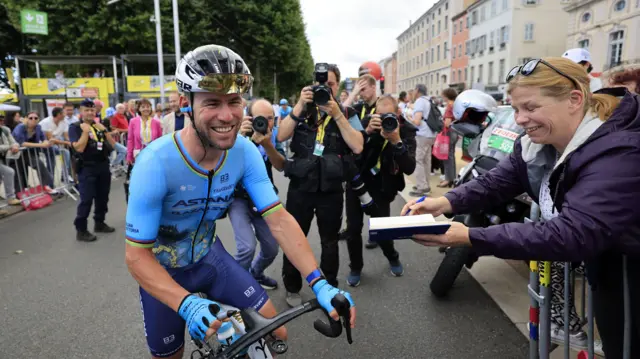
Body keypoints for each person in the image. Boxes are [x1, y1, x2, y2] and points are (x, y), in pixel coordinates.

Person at [124, 45, 356, 359]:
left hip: (208, 258)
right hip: (163, 271)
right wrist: (185, 304)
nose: (227, 115)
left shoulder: (244, 152)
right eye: (212, 103)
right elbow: (136, 257)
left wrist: (319, 283)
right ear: (185, 105)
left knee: (276, 331)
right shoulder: (154, 163)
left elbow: (279, 221)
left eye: (234, 101)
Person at [403, 57, 640, 358]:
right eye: (515, 109)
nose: (519, 119)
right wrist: (443, 202)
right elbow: (496, 182)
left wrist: (471, 237)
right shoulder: (539, 140)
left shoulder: (620, 150)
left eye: (530, 107)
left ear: (575, 99)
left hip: (629, 271)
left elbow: (573, 234)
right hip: (607, 264)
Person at [276, 63, 364, 307]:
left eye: (331, 84)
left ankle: (329, 288)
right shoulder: (303, 110)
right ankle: (292, 287)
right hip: (300, 188)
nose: (326, 88)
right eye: (321, 83)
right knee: (295, 238)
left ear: (337, 86)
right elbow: (281, 136)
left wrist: (337, 113)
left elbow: (357, 146)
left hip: (331, 190)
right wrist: (299, 106)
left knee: (330, 241)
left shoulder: (347, 114)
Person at [345, 95, 416, 286]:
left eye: (389, 116)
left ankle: (392, 256)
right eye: (380, 115)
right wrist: (369, 134)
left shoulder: (406, 130)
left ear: (398, 113)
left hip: (383, 187)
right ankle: (355, 267)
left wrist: (397, 142)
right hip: (357, 181)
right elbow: (354, 157)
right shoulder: (366, 124)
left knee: (382, 229)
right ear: (374, 113)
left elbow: (409, 168)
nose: (385, 120)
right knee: (353, 229)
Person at [230, 98, 286, 290]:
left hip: (262, 198)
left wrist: (268, 144)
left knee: (271, 249)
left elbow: (280, 166)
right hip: (238, 198)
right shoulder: (236, 134)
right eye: (260, 118)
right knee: (246, 247)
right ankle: (237, 287)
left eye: (270, 118)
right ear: (249, 117)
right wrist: (237, 136)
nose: (265, 123)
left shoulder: (273, 135)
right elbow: (220, 162)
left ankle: (256, 273)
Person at [69, 99, 117, 242]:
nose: (90, 112)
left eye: (92, 110)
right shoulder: (75, 127)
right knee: (87, 199)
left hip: (102, 165)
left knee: (103, 197)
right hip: (86, 167)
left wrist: (105, 131)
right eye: (87, 110)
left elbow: (113, 146)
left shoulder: (98, 126)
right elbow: (79, 148)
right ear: (81, 112)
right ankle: (81, 230)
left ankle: (99, 222)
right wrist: (85, 132)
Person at [11, 112, 56, 192]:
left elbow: (43, 138)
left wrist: (46, 142)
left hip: (30, 152)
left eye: (36, 118)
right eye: (31, 118)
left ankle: (46, 186)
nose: (33, 120)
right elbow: (21, 143)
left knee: (39, 164)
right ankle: (19, 193)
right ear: (26, 119)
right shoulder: (20, 127)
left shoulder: (38, 127)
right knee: (20, 173)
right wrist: (41, 145)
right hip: (17, 153)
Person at [408, 84, 436, 197]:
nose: (414, 91)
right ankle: (426, 184)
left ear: (418, 90)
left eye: (414, 89)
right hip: (431, 134)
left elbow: (417, 121)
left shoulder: (420, 101)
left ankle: (422, 186)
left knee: (418, 160)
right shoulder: (429, 100)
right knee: (426, 161)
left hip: (422, 134)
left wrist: (408, 118)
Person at [40, 107, 73, 183]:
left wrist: (72, 142)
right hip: (42, 144)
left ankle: (65, 174)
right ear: (59, 114)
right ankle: (49, 180)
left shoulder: (64, 122)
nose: (65, 115)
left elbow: (66, 136)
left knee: (66, 153)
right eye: (64, 113)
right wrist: (66, 143)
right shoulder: (46, 122)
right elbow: (50, 139)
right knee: (53, 151)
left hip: (54, 144)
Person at [437, 88, 459, 188]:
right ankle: (452, 178)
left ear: (446, 96)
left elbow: (447, 123)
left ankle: (448, 179)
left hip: (449, 133)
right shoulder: (456, 104)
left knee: (447, 157)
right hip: (455, 132)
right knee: (451, 156)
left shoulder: (449, 106)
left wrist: (442, 121)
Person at [0, 122, 21, 207]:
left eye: (1, 119)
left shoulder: (5, 130)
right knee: (9, 172)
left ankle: (10, 198)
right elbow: (8, 145)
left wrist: (15, 146)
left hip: (1, 158)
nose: (1, 121)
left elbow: (14, 142)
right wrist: (9, 146)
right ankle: (10, 198)